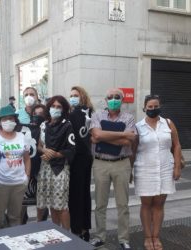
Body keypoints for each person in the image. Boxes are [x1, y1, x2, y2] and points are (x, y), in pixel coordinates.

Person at [133, 95, 181, 250]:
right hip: (144, 169)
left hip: (165, 168)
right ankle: (148, 237)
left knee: (159, 204)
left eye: (156, 106)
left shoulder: (168, 123)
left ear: (160, 106)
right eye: (150, 107)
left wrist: (177, 167)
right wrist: (130, 170)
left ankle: (156, 236)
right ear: (144, 108)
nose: (153, 109)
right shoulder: (138, 126)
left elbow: (177, 145)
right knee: (146, 204)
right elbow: (133, 151)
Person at [90, 88, 136, 250]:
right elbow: (96, 136)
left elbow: (129, 140)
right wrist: (120, 135)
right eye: (110, 97)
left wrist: (104, 136)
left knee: (123, 204)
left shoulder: (129, 118)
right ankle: (99, 237)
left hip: (122, 163)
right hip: (101, 163)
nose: (114, 99)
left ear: (122, 100)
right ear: (105, 99)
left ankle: (124, 239)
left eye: (117, 97)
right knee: (100, 203)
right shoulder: (97, 116)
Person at [0, 105, 31, 230]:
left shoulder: (21, 136)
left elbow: (27, 158)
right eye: (4, 119)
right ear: (0, 122)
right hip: (0, 184)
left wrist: (27, 176)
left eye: (11, 119)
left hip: (19, 183)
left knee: (15, 218)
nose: (8, 122)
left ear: (15, 121)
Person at [36, 95, 75, 229]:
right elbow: (39, 145)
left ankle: (68, 237)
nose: (55, 109)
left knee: (61, 204)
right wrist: (45, 151)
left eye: (59, 106)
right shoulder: (43, 125)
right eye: (53, 106)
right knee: (51, 203)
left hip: (60, 168)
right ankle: (55, 233)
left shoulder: (67, 125)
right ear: (49, 107)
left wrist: (55, 154)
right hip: (45, 167)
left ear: (63, 109)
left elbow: (71, 149)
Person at [68, 86, 94, 241]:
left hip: (78, 158)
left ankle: (77, 229)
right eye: (71, 95)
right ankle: (84, 229)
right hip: (84, 158)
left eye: (75, 95)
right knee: (84, 194)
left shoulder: (77, 114)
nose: (73, 98)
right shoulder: (90, 112)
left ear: (82, 96)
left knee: (76, 195)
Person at [21, 104, 49, 224]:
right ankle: (21, 221)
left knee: (40, 198)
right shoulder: (24, 129)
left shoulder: (48, 128)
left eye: (41, 114)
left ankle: (40, 222)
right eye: (35, 114)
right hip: (26, 168)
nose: (37, 116)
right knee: (23, 198)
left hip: (42, 167)